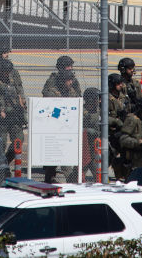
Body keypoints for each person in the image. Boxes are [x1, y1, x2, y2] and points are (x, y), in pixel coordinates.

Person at [41, 55, 81, 183]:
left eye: (71, 66)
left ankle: (69, 178)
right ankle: (50, 175)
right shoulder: (54, 80)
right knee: (53, 150)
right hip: (56, 114)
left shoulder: (73, 81)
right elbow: (46, 94)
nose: (70, 68)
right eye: (67, 66)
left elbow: (79, 97)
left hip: (69, 117)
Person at [0, 47, 26, 163]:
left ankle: (5, 162)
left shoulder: (12, 71)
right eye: (4, 53)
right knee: (1, 142)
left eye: (7, 53)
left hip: (14, 113)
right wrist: (0, 109)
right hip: (1, 115)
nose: (6, 55)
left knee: (19, 140)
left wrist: (22, 101)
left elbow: (19, 87)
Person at [108, 73, 131, 180]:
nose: (121, 85)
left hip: (123, 131)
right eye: (118, 83)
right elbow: (102, 117)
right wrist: (116, 121)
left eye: (121, 83)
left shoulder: (123, 97)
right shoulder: (106, 98)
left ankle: (124, 176)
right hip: (110, 132)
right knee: (108, 158)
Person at [82, 87, 102, 181]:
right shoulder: (82, 112)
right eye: (97, 99)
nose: (99, 101)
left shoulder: (99, 111)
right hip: (85, 147)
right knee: (78, 174)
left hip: (96, 148)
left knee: (99, 174)